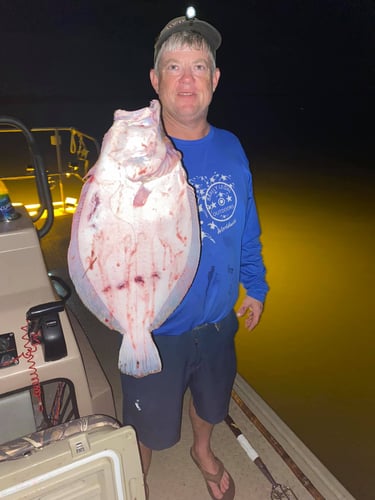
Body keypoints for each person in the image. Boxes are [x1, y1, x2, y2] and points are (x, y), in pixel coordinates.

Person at [121, 9, 269, 500]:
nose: (187, 79)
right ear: (155, 79)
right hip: (154, 328)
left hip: (218, 319)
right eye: (174, 66)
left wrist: (257, 286)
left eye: (200, 66)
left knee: (212, 402)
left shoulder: (231, 148)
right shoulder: (133, 153)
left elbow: (245, 226)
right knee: (148, 423)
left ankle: (202, 449)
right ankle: (133, 479)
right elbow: (102, 244)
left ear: (215, 78)